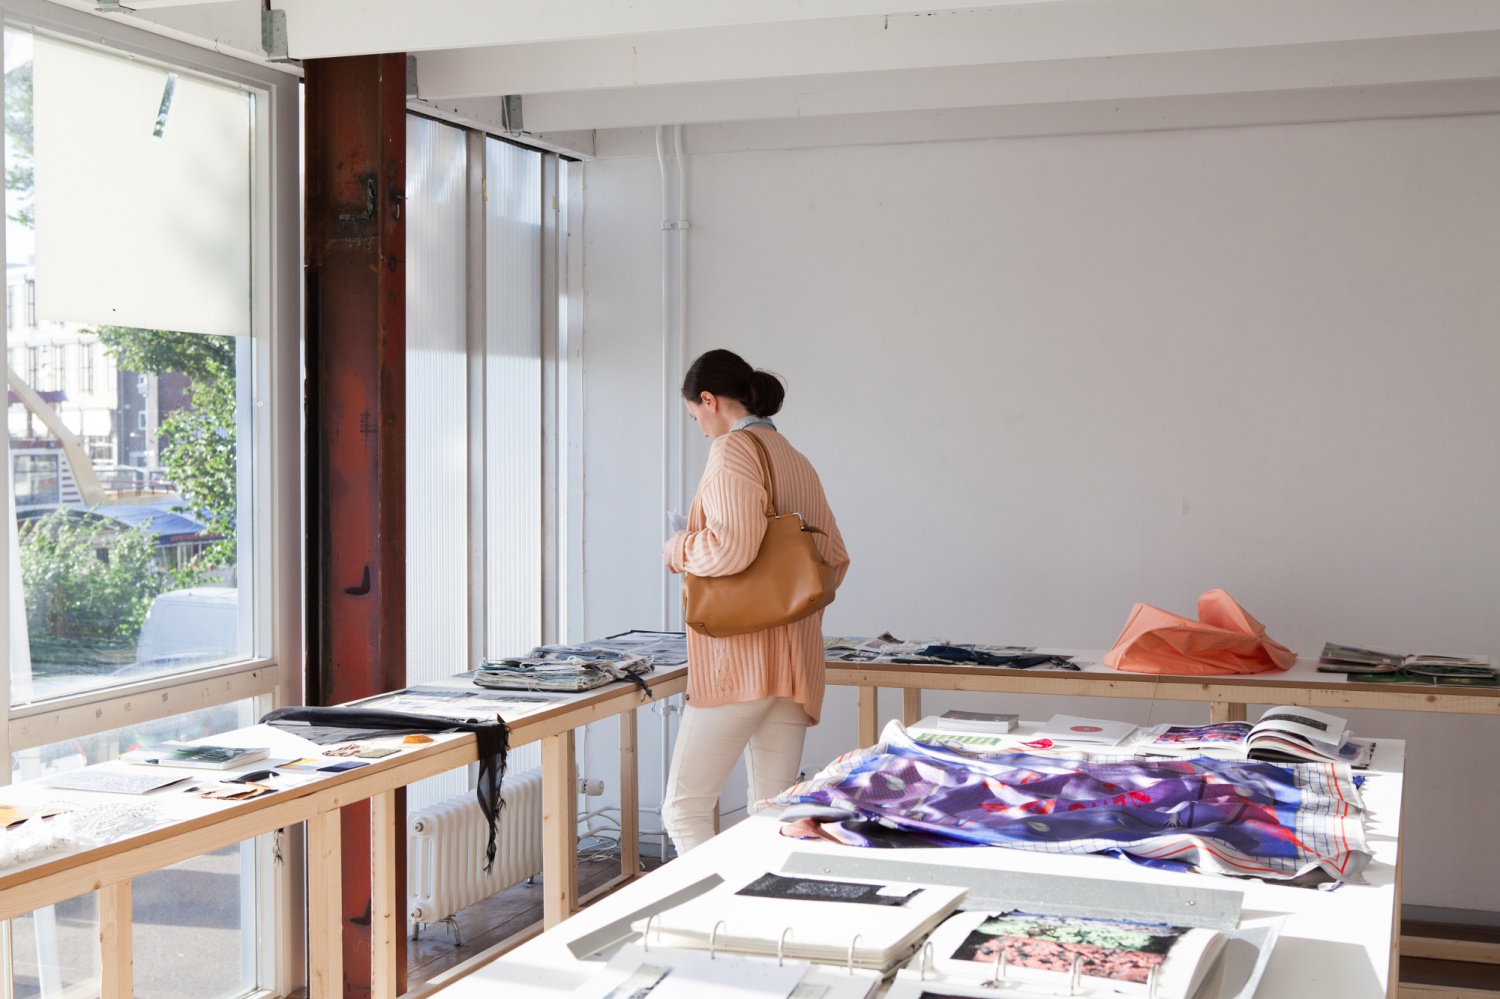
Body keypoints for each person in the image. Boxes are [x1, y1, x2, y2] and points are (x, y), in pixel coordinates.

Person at [660, 348, 850, 854]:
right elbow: (834, 559)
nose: (701, 429)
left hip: (738, 665)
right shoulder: (794, 458)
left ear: (709, 400)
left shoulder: (732, 451)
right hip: (796, 667)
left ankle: (711, 905)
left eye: (695, 416)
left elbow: (731, 548)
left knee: (684, 809)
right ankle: (761, 904)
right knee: (772, 816)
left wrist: (678, 548)